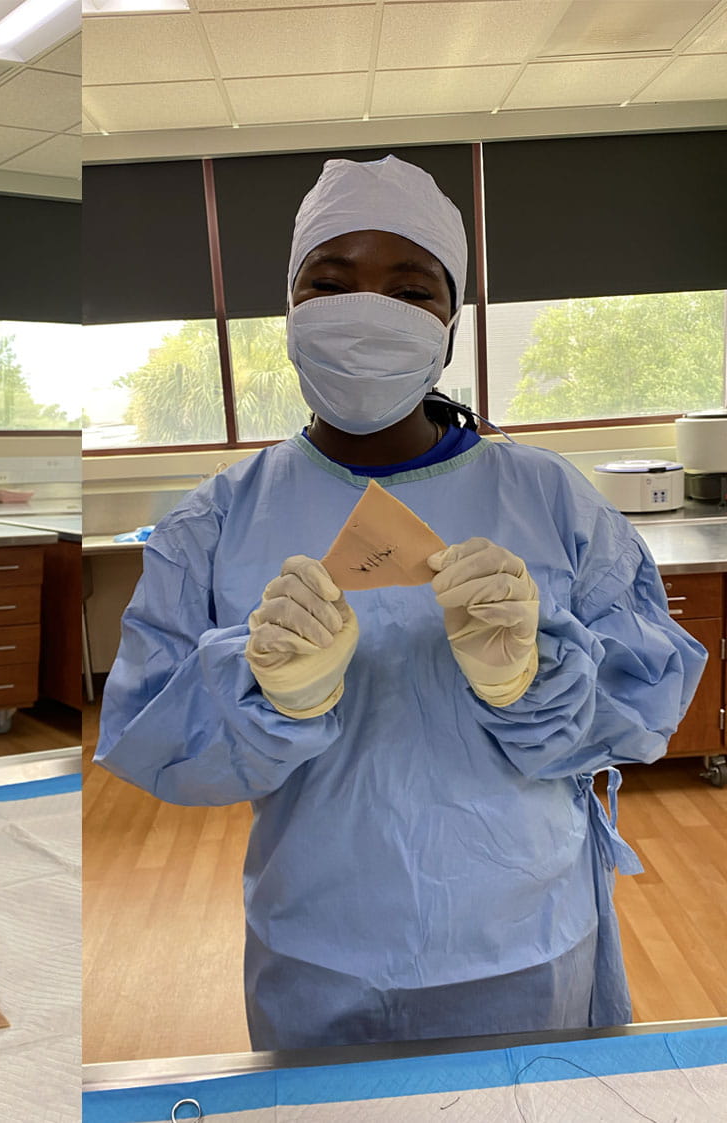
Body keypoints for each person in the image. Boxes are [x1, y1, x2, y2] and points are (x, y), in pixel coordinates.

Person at [96, 155, 705, 1051]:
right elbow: (152, 738)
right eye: (331, 283)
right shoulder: (219, 518)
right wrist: (268, 693)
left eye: (409, 288)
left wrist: (536, 680)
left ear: (448, 325)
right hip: (319, 946)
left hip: (521, 934)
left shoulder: (548, 498)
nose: (367, 311)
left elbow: (646, 704)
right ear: (292, 309)